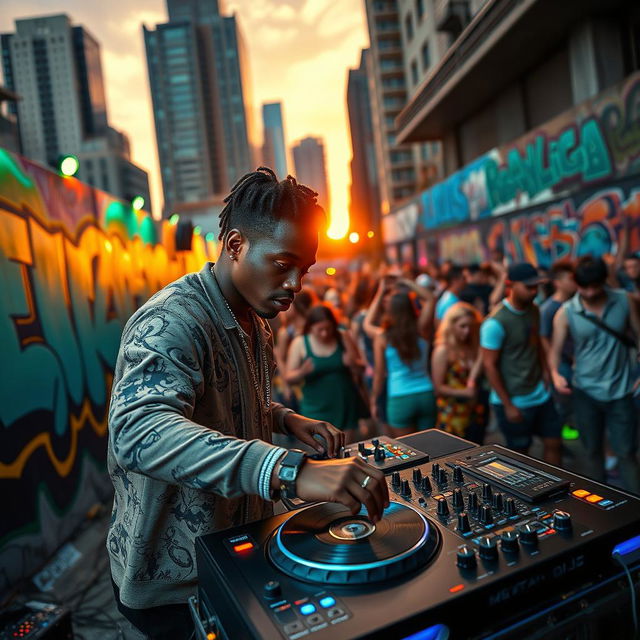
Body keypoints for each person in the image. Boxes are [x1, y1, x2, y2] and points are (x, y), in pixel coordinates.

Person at [107, 168, 389, 639]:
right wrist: (292, 470)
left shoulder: (256, 321)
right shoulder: (172, 320)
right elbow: (139, 433)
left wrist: (283, 418)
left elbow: (218, 403)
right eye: (284, 264)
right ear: (236, 245)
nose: (297, 283)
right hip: (175, 589)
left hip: (236, 553)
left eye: (305, 269)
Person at [549, 256, 640, 492]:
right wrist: (555, 374)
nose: (589, 293)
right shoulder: (566, 312)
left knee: (627, 453)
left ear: (603, 281)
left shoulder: (624, 301)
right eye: (583, 287)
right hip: (585, 392)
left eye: (594, 286)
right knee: (591, 453)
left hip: (621, 391)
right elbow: (555, 352)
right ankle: (602, 509)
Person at [480, 263, 562, 464]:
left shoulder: (534, 309)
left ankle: (558, 490)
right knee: (520, 455)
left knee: (554, 443)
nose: (534, 291)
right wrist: (508, 405)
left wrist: (545, 372)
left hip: (540, 394)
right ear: (510, 285)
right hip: (514, 400)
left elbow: (536, 343)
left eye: (537, 286)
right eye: (528, 287)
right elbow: (489, 365)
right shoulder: (495, 322)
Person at [285, 304, 368, 442]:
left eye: (328, 329)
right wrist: (302, 372)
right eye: (320, 330)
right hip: (315, 409)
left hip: (345, 405)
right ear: (310, 327)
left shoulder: (342, 336)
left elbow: (361, 369)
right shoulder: (300, 343)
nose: (325, 333)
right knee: (323, 453)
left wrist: (352, 363)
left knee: (345, 451)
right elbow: (288, 377)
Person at [368, 282, 437, 437]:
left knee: (409, 451)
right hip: (426, 393)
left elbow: (379, 375)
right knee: (431, 447)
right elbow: (431, 298)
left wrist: (374, 399)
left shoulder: (382, 337)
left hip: (400, 398)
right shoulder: (421, 329)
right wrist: (405, 280)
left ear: (389, 311)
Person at [432, 302, 486, 443]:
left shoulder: (472, 347)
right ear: (451, 325)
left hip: (474, 414)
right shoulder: (443, 350)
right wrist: (464, 392)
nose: (467, 331)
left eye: (471, 326)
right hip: (452, 417)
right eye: (462, 326)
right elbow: (438, 388)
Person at [538, 260, 578, 439]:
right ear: (557, 282)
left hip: (577, 362)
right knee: (562, 405)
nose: (574, 282)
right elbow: (544, 338)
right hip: (562, 363)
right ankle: (560, 439)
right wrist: (553, 367)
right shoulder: (548, 308)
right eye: (570, 279)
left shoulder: (577, 304)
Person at [273, 288, 316, 410]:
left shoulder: (312, 328)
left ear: (297, 306)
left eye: (288, 303)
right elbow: (280, 358)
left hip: (311, 382)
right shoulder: (286, 332)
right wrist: (286, 385)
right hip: (294, 385)